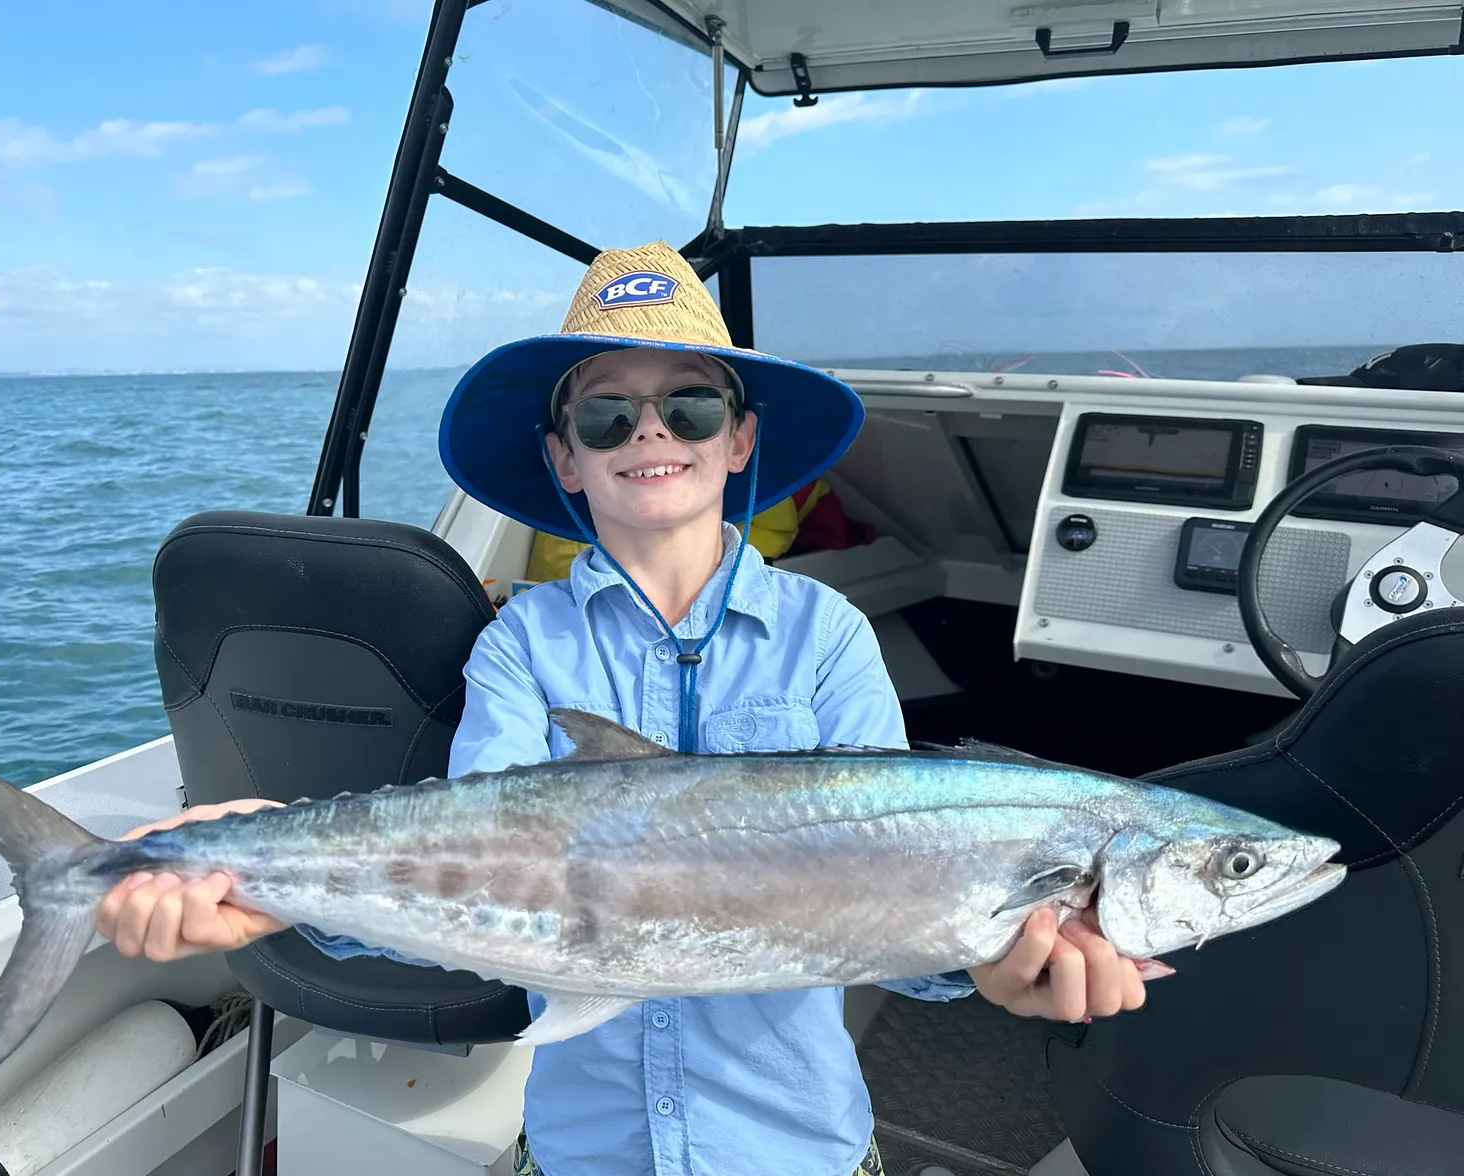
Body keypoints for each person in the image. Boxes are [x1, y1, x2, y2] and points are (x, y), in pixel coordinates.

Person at [96, 241, 1152, 1176]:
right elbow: (471, 886)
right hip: (583, 1145)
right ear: (567, 457)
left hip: (795, 1149)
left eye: (688, 405)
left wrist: (988, 965)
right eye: (608, 413)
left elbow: (895, 897)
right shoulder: (523, 645)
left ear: (738, 439)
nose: (651, 430)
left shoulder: (826, 634)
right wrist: (273, 886)